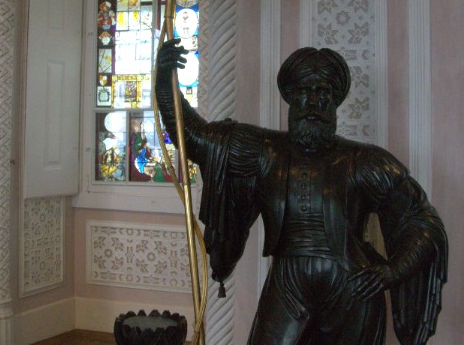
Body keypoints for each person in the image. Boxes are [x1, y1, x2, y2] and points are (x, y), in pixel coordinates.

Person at [155, 39, 448, 345]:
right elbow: (194, 137)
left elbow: (422, 221)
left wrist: (392, 271)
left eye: (323, 92)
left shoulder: (365, 161)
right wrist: (164, 81)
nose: (313, 102)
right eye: (304, 91)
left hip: (351, 289)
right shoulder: (263, 152)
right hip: (288, 285)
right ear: (290, 98)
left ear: (334, 102)